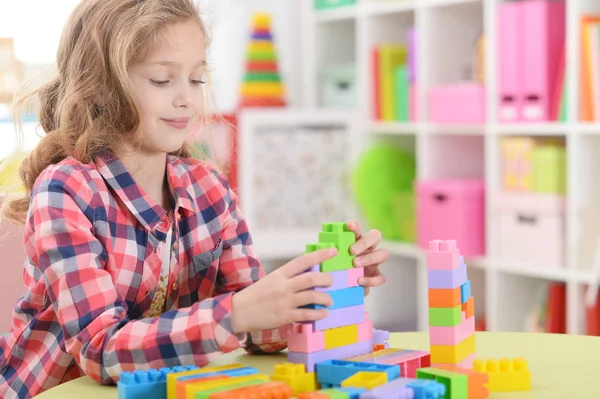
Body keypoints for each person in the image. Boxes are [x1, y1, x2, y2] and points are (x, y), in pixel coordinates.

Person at [0, 0, 390, 397]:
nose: (186, 98)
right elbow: (100, 352)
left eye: (197, 79)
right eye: (161, 80)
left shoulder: (209, 189)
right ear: (103, 86)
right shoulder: (66, 192)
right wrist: (235, 313)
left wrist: (324, 289)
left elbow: (255, 326)